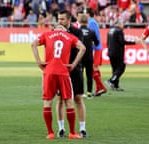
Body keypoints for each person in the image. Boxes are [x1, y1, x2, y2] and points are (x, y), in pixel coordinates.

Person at [31, 25, 86, 139]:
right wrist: (74, 65)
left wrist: (39, 62)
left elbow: (33, 44)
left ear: (54, 29)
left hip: (49, 72)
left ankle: (50, 133)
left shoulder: (47, 35)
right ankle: (72, 133)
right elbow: (83, 48)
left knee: (48, 103)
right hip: (63, 72)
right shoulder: (70, 36)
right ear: (64, 30)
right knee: (68, 102)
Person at [56, 10, 88, 138]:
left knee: (78, 99)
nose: (60, 22)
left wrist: (64, 34)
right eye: (58, 19)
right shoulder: (55, 31)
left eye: (62, 19)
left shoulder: (77, 32)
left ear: (69, 20)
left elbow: (78, 48)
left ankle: (82, 128)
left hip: (74, 69)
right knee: (60, 100)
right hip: (60, 70)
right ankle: (61, 128)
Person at [105, 19, 137, 91]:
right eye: (122, 24)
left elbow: (107, 43)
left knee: (115, 69)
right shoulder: (119, 31)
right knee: (121, 68)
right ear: (119, 24)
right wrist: (134, 42)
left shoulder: (110, 30)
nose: (123, 26)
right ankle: (111, 81)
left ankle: (115, 86)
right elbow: (122, 42)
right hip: (118, 53)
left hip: (110, 52)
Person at [86, 8, 107, 96]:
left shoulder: (91, 23)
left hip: (95, 48)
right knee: (95, 68)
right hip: (97, 47)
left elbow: (92, 36)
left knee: (92, 68)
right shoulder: (92, 22)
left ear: (87, 14)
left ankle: (101, 87)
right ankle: (99, 88)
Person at [79, 14, 99, 97]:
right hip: (89, 56)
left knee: (80, 75)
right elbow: (97, 43)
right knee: (89, 75)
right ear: (87, 22)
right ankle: (89, 93)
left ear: (79, 21)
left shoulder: (77, 31)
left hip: (79, 56)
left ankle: (80, 92)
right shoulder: (91, 32)